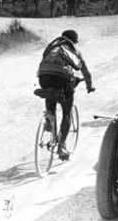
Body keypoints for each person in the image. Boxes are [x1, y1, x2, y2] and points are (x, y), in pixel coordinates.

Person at [37, 29, 95, 160]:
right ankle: (62, 146)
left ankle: (49, 116)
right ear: (74, 41)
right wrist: (89, 86)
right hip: (61, 77)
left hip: (43, 76)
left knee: (50, 93)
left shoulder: (51, 48)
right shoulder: (73, 50)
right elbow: (85, 71)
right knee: (66, 112)